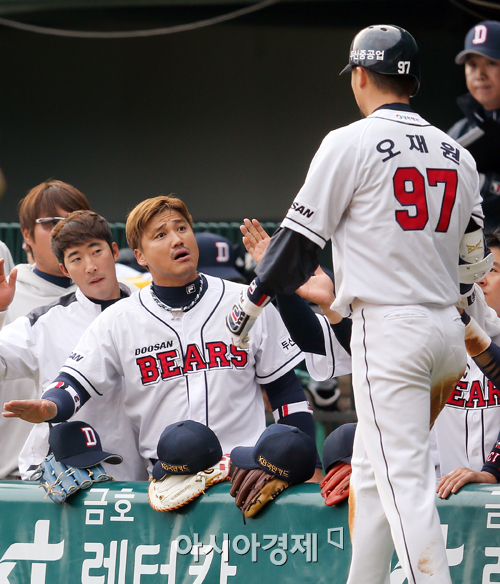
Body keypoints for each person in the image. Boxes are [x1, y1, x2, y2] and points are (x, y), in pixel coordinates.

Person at [225, 25, 484, 584]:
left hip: (391, 331)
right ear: (413, 81)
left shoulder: (348, 141)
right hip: (445, 332)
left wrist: (248, 306)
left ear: (360, 76)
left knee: (403, 488)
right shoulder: (459, 154)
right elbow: (473, 266)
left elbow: (295, 246)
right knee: (371, 474)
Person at [3, 195, 322, 481]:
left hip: (245, 475)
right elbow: (74, 382)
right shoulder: (119, 319)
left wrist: (311, 468)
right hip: (167, 480)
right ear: (139, 256)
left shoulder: (248, 301)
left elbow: (286, 392)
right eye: (161, 234)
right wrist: (52, 407)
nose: (176, 239)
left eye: (182, 228)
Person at [0, 210, 147, 480]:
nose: (90, 266)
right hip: (64, 475)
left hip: (137, 474)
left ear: (114, 251)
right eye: (76, 259)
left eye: (96, 251)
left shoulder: (149, 310)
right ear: (65, 269)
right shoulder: (43, 322)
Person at [0, 179, 91, 480]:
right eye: (51, 222)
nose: (63, 230)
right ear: (25, 234)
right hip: (14, 473)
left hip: (103, 466)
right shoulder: (8, 295)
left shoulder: (119, 297)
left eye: (74, 220)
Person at [448, 20, 500, 232]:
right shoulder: (458, 133)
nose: (480, 74)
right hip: (470, 257)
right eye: (472, 65)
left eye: (490, 63)